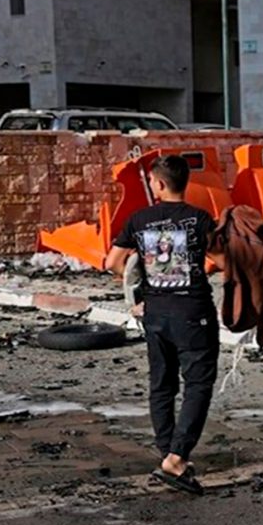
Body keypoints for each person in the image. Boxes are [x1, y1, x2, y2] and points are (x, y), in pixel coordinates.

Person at [105, 155, 224, 494]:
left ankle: (168, 453)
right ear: (185, 183)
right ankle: (175, 457)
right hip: (193, 313)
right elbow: (223, 261)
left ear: (157, 184)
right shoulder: (200, 219)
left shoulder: (139, 219)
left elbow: (113, 262)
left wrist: (140, 291)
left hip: (154, 313)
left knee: (161, 384)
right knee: (198, 383)